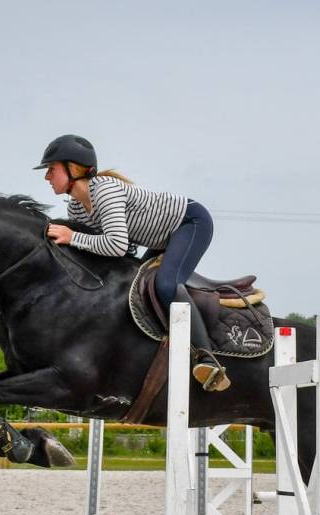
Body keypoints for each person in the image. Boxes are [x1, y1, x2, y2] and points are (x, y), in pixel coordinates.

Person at [35, 134, 229, 392]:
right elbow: (104, 250)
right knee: (132, 288)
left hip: (190, 223)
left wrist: (72, 236)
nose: (47, 176)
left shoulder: (104, 190)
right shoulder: (76, 209)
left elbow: (115, 245)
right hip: (161, 236)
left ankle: (207, 358)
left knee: (165, 285)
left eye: (52, 169)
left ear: (74, 168)